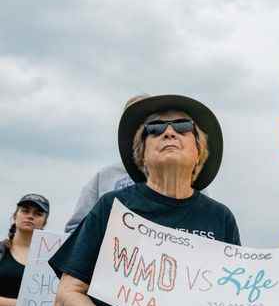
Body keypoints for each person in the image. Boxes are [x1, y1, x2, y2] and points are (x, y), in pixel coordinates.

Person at [50, 94, 274, 306]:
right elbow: (66, 297)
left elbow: (235, 305)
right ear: (141, 154)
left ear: (199, 151)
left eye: (183, 127)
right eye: (154, 129)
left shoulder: (220, 217)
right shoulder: (112, 206)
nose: (168, 132)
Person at [65, 95, 209, 234]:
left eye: (153, 123)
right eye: (133, 121)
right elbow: (75, 230)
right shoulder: (104, 178)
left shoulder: (187, 177)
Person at [0, 194, 50, 306]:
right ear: (15, 216)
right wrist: (23, 304)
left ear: (44, 222)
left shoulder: (51, 260)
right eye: (25, 210)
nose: (30, 216)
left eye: (38, 213)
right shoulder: (1, 252)